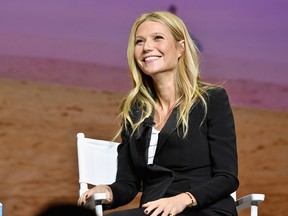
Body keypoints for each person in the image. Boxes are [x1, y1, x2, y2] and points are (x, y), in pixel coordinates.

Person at [78, 11, 239, 216]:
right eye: (139, 41)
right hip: (154, 210)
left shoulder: (211, 99)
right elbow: (129, 183)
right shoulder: (135, 111)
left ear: (180, 48)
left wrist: (184, 199)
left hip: (204, 209)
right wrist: (107, 191)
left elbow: (227, 177)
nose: (147, 47)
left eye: (158, 38)